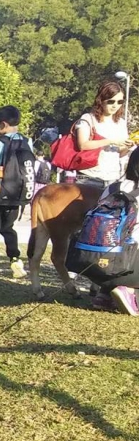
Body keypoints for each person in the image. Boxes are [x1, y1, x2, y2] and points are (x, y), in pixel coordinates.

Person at [67, 149, 139, 314]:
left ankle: (105, 294)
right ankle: (129, 292)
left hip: (91, 263)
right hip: (126, 266)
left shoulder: (113, 187)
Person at [0, 105, 34, 278]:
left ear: (2, 124)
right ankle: (15, 258)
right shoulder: (27, 141)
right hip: (16, 194)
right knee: (8, 228)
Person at [72, 79, 133, 189]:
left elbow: (120, 153)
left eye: (120, 102)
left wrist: (127, 147)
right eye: (111, 101)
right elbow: (83, 145)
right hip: (89, 178)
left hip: (113, 179)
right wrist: (110, 140)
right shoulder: (88, 119)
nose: (115, 105)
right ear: (101, 100)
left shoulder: (121, 123)